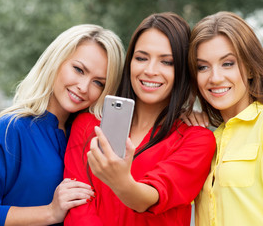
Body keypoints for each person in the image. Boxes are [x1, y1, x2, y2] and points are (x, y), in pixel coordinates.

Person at [63, 12, 216, 226]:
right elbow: (78, 206)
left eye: (167, 62)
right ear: (130, 63)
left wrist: (121, 181)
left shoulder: (196, 140)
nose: (150, 70)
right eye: (141, 58)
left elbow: (152, 196)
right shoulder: (87, 125)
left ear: (182, 70)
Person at [0, 24, 125, 226]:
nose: (84, 87)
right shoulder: (9, 130)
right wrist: (50, 212)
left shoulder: (90, 138)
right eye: (78, 69)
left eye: (98, 83)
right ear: (56, 61)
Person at [187, 11, 263, 226]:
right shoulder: (209, 139)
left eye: (228, 63)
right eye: (203, 67)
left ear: (251, 67)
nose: (215, 78)